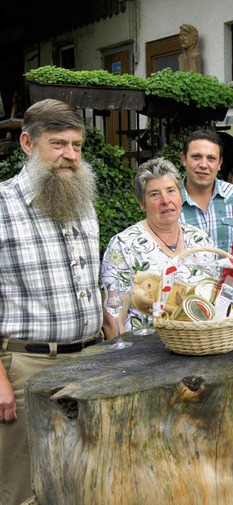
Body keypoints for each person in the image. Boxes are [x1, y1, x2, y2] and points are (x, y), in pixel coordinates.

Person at [0, 99, 103, 505]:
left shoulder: (81, 197)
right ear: (27, 142)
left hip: (89, 362)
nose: (71, 156)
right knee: (22, 490)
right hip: (27, 369)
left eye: (77, 145)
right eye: (58, 144)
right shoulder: (2, 206)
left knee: (84, 478)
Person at [101, 157, 214, 337]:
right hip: (145, 359)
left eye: (171, 191)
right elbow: (112, 322)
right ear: (141, 203)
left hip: (201, 349)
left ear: (181, 196)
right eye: (154, 194)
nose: (165, 200)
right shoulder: (123, 246)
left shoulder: (201, 240)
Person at [179, 129, 233, 281]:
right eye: (196, 157)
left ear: (219, 164)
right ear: (183, 159)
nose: (203, 165)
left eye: (211, 158)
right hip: (188, 301)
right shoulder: (171, 203)